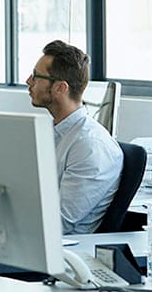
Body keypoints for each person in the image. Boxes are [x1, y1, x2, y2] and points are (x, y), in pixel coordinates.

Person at [26, 40, 123, 235]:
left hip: (64, 253)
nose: (29, 81)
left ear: (60, 88)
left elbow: (59, 222)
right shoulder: (54, 133)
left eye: (36, 76)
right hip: (28, 238)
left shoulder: (90, 146)